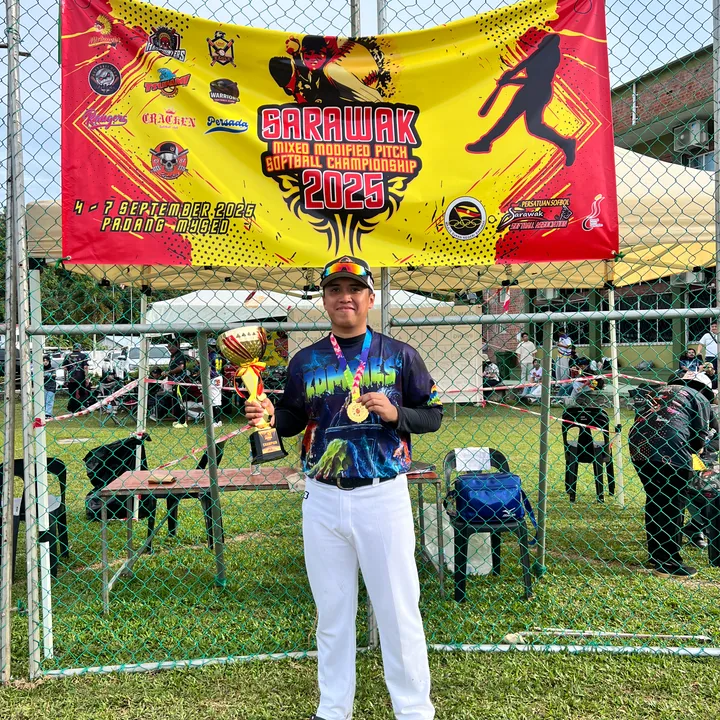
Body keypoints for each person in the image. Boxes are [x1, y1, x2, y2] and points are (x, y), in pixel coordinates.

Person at [245, 256, 441, 720]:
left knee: (398, 611)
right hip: (322, 498)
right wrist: (269, 415)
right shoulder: (306, 360)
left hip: (382, 493)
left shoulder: (400, 354)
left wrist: (396, 414)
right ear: (325, 300)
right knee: (332, 614)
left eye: (354, 289)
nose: (344, 297)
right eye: (335, 289)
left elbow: (432, 415)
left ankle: (414, 710)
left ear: (370, 298)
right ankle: (333, 709)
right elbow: (293, 419)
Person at [629, 371, 717, 578]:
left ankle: (656, 555)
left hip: (640, 447)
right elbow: (699, 437)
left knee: (655, 500)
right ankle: (669, 562)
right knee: (672, 504)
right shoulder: (699, 398)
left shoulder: (660, 392)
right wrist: (694, 453)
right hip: (671, 448)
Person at [165, 338, 189, 428]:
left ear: (177, 346)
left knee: (180, 401)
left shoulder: (180, 355)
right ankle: (178, 419)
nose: (170, 348)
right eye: (168, 346)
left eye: (172, 346)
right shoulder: (173, 356)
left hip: (180, 381)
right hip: (174, 382)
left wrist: (169, 372)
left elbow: (180, 367)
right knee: (175, 401)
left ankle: (183, 422)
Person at [208, 337, 225, 428]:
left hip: (213, 377)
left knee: (214, 400)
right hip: (219, 377)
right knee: (217, 398)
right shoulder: (219, 355)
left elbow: (209, 368)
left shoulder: (210, 355)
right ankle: (219, 420)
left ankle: (216, 420)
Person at [555, 329, 573, 394]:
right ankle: (558, 383)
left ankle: (564, 383)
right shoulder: (560, 338)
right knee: (558, 369)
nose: (558, 334)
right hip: (559, 355)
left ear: (562, 332)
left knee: (563, 369)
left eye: (559, 332)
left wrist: (560, 345)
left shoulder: (567, 338)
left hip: (565, 356)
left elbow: (570, 346)